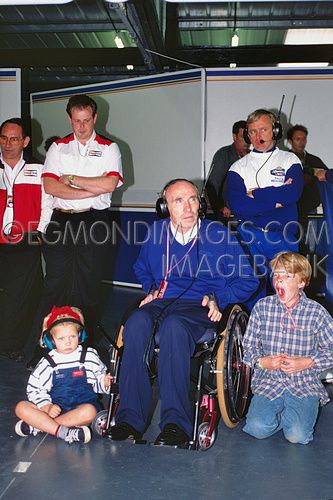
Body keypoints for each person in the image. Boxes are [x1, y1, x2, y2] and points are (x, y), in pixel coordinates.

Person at [108, 178, 259, 446]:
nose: (188, 207)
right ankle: (129, 420)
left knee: (174, 327)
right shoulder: (157, 234)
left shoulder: (217, 235)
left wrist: (218, 298)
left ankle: (175, 424)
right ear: (165, 207)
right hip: (162, 301)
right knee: (137, 322)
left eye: (193, 199)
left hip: (199, 306)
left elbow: (248, 280)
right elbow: (141, 268)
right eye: (179, 201)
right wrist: (152, 288)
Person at [27, 94, 123, 369]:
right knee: (54, 285)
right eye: (76, 121)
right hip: (61, 221)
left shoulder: (109, 148)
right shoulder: (58, 147)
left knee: (88, 286)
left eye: (86, 121)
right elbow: (50, 187)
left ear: (95, 118)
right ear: (70, 119)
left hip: (94, 221)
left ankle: (85, 349)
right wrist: (86, 188)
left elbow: (108, 185)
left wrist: (70, 179)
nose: (81, 127)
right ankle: (44, 347)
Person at [242, 251, 333, 444]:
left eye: (287, 276)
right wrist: (260, 361)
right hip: (269, 381)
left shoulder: (316, 313)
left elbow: (330, 349)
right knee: (256, 428)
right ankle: (282, 413)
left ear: (302, 282)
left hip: (304, 383)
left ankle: (299, 413)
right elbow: (247, 345)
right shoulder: (262, 307)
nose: (279, 280)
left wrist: (308, 361)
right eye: (276, 274)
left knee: (297, 436)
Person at [227, 109, 303, 300]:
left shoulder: (290, 160)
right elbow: (238, 205)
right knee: (250, 292)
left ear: (275, 131)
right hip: (249, 236)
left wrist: (256, 194)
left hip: (283, 236)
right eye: (252, 131)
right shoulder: (238, 168)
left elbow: (292, 193)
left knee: (288, 294)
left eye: (263, 129)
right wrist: (275, 200)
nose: (258, 136)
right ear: (247, 134)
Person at [15, 306, 112, 444]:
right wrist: (47, 406)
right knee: (21, 407)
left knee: (90, 412)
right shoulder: (48, 362)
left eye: (72, 336)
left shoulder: (89, 355)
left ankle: (40, 426)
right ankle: (64, 432)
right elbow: (34, 389)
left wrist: (105, 382)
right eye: (61, 338)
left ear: (80, 335)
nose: (68, 342)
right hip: (55, 408)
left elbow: (98, 383)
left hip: (81, 409)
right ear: (51, 341)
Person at [0, 118, 50, 362]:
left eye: (14, 139)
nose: (7, 144)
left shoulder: (39, 169)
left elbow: (48, 203)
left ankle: (10, 344)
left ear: (25, 141)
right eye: (3, 138)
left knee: (23, 297)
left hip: (26, 240)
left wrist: (39, 230)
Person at [206, 120, 249, 219]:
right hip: (227, 213)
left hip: (245, 210)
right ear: (235, 137)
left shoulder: (251, 157)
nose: (247, 141)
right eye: (243, 137)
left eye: (248, 137)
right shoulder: (224, 154)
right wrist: (220, 207)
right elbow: (213, 184)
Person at [287, 124, 328, 215]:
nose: (302, 142)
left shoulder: (314, 160)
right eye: (298, 139)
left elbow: (326, 176)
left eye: (304, 139)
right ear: (290, 141)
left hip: (312, 205)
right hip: (291, 205)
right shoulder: (284, 160)